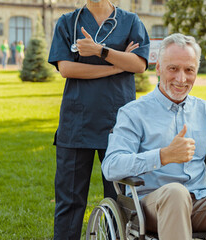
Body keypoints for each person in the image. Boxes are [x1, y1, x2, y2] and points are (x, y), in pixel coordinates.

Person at [102, 33, 206, 240]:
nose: (181, 79)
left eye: (189, 70)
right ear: (158, 68)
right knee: (176, 193)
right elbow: (112, 166)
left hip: (201, 201)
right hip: (152, 205)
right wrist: (163, 156)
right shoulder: (133, 113)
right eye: (173, 69)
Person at [46, 0, 150, 239]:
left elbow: (139, 64)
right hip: (76, 123)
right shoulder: (68, 22)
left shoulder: (131, 22)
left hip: (118, 124)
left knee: (119, 200)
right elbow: (67, 69)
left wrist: (99, 51)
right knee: (69, 201)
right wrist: (117, 65)